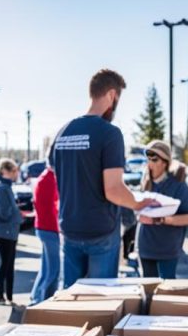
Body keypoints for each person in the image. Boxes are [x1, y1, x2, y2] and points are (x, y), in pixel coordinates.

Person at [48, 69, 158, 286]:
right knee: (101, 300)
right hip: (100, 231)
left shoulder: (62, 132)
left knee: (71, 300)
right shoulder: (109, 133)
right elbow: (113, 190)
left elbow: (54, 172)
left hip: (69, 227)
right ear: (111, 95)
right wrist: (137, 203)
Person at [135, 140, 188, 279]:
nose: (150, 163)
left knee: (165, 293)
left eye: (154, 159)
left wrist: (159, 219)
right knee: (147, 292)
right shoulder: (145, 182)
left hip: (167, 249)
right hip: (145, 248)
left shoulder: (179, 186)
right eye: (148, 159)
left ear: (165, 162)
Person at [0, 158, 24, 305]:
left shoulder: (3, 186)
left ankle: (8, 296)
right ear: (4, 171)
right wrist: (16, 210)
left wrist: (15, 209)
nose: (16, 174)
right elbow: (3, 213)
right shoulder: (2, 187)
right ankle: (0, 296)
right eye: (13, 171)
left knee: (9, 264)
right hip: (5, 232)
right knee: (6, 264)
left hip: (8, 231)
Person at [29, 163, 60, 304]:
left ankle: (36, 297)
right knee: (53, 269)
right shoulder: (50, 179)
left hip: (43, 227)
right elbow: (53, 206)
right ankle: (44, 301)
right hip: (49, 228)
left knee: (46, 267)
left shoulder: (44, 178)